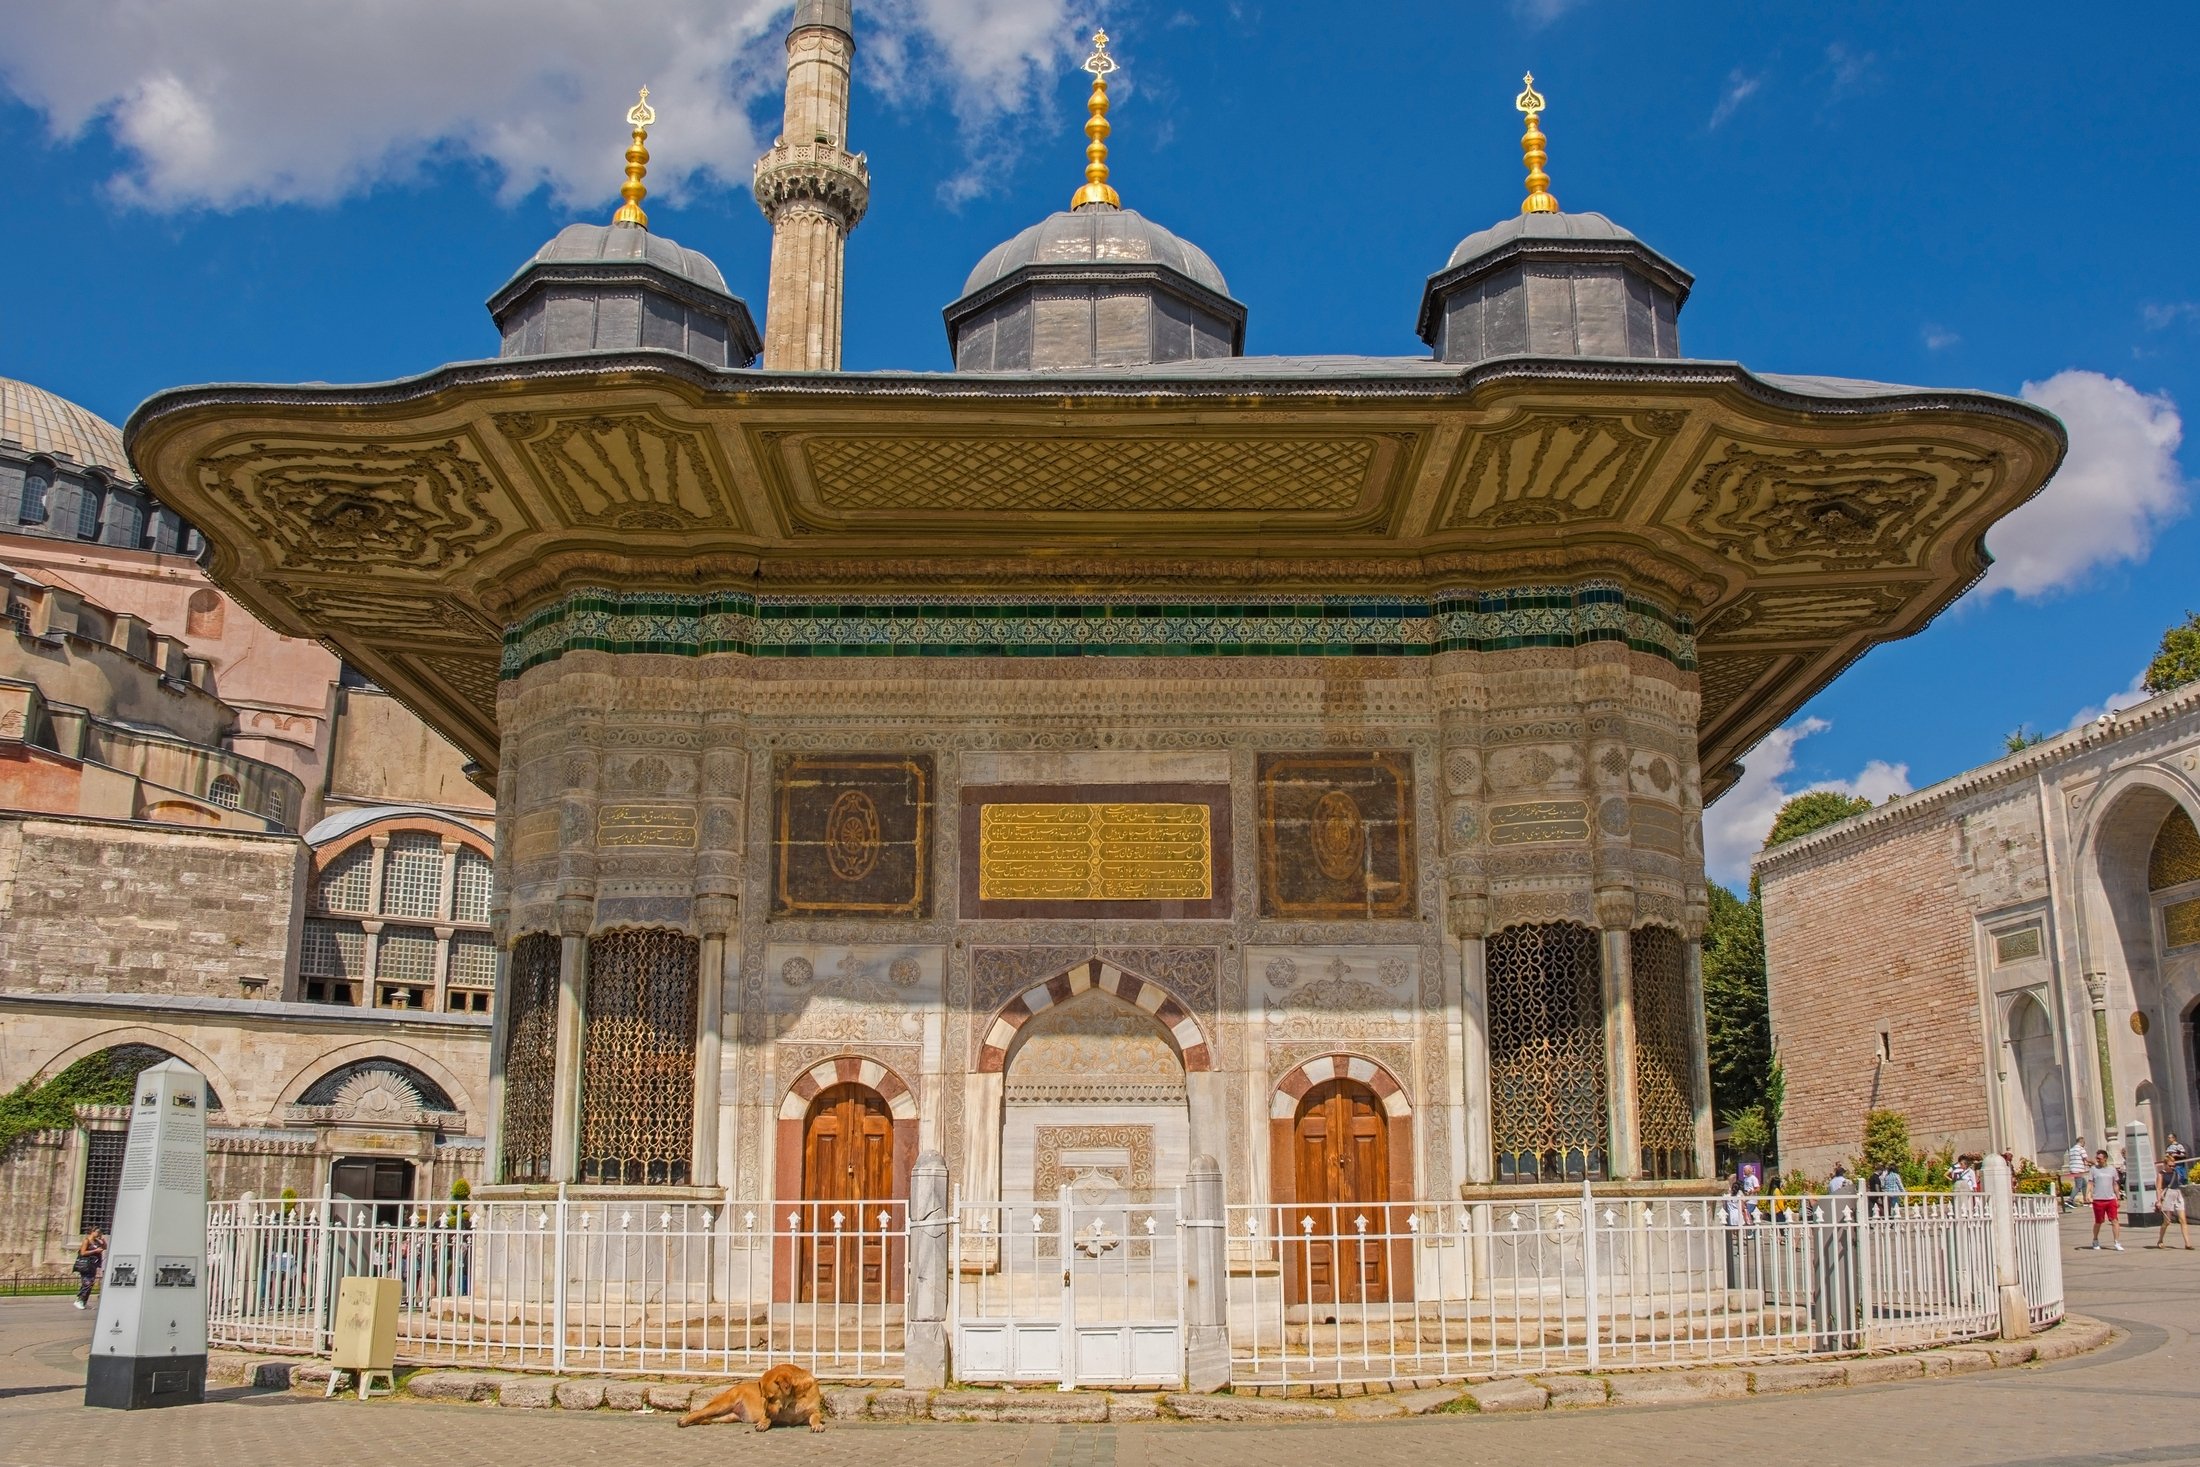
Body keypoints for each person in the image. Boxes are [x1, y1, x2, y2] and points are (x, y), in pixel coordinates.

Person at [2087, 1150, 2124, 1250]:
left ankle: (2116, 1242)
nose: (2097, 1160)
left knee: (2114, 1220)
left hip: (2110, 1199)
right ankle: (2095, 1239)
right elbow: (2090, 1182)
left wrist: (2118, 1197)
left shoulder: (2112, 1169)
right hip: (2098, 1199)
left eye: (2099, 1158)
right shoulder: (2093, 1169)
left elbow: (2115, 1184)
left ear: (2105, 1158)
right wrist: (2088, 1194)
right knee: (2099, 1221)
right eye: (2097, 1158)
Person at [2155, 1155, 2192, 1250]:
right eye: (2170, 1165)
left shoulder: (2175, 1172)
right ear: (2165, 1164)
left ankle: (2187, 1243)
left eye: (2173, 1165)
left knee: (2183, 1220)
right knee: (2167, 1221)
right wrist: (2158, 1201)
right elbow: (2159, 1188)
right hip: (2168, 1195)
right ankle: (2160, 1240)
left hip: (2177, 1193)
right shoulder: (2161, 1174)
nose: (2172, 1167)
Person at [72, 1229, 106, 1309]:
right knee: (87, 1283)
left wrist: (103, 1241)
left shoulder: (97, 1241)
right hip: (85, 1265)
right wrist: (95, 1251)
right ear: (93, 1231)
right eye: (98, 1232)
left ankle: (83, 1301)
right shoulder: (86, 1241)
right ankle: (79, 1300)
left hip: (93, 1265)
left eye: (100, 1232)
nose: (99, 1234)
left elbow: (104, 1247)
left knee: (90, 1283)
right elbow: (83, 1253)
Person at [2066, 1137, 2090, 1210]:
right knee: (2078, 1186)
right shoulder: (2081, 1149)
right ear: (2082, 1142)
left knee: (2084, 1184)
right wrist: (2093, 1163)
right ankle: (2070, 1200)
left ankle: (2085, 1200)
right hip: (2079, 1169)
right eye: (2084, 1143)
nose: (2084, 1145)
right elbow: (2086, 1159)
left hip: (2073, 1168)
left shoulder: (2072, 1149)